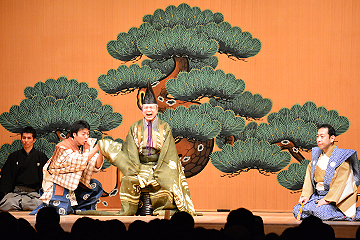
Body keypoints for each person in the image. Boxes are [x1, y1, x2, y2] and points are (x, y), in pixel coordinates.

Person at [98, 81, 195, 216]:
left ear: (156, 109)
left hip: (160, 165)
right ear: (142, 109)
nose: (149, 110)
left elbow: (168, 151)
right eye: (146, 107)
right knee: (128, 179)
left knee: (167, 181)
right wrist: (136, 172)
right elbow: (131, 151)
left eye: (151, 108)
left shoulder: (164, 127)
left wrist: (160, 169)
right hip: (140, 165)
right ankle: (131, 209)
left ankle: (162, 210)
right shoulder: (135, 127)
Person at [30, 120, 104, 215]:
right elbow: (79, 160)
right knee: (62, 209)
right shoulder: (63, 147)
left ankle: (80, 208)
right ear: (74, 134)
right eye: (83, 134)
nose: (86, 136)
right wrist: (96, 148)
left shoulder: (85, 147)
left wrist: (102, 151)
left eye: (87, 134)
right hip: (57, 182)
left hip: (74, 184)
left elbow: (96, 165)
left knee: (96, 186)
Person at [293, 124, 360, 220]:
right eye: (317, 136)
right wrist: (306, 196)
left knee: (322, 212)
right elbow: (308, 180)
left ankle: (348, 215)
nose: (318, 140)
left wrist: (327, 200)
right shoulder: (316, 158)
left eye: (322, 136)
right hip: (317, 196)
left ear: (332, 138)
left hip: (336, 199)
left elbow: (340, 183)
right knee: (297, 210)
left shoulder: (341, 159)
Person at [0, 126, 48, 211]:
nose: (26, 141)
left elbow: (47, 176)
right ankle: (23, 205)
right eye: (24, 138)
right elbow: (6, 175)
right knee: (6, 203)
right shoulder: (14, 156)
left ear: (34, 140)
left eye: (29, 138)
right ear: (21, 139)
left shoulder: (41, 157)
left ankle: (21, 205)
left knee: (40, 204)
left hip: (34, 194)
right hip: (16, 193)